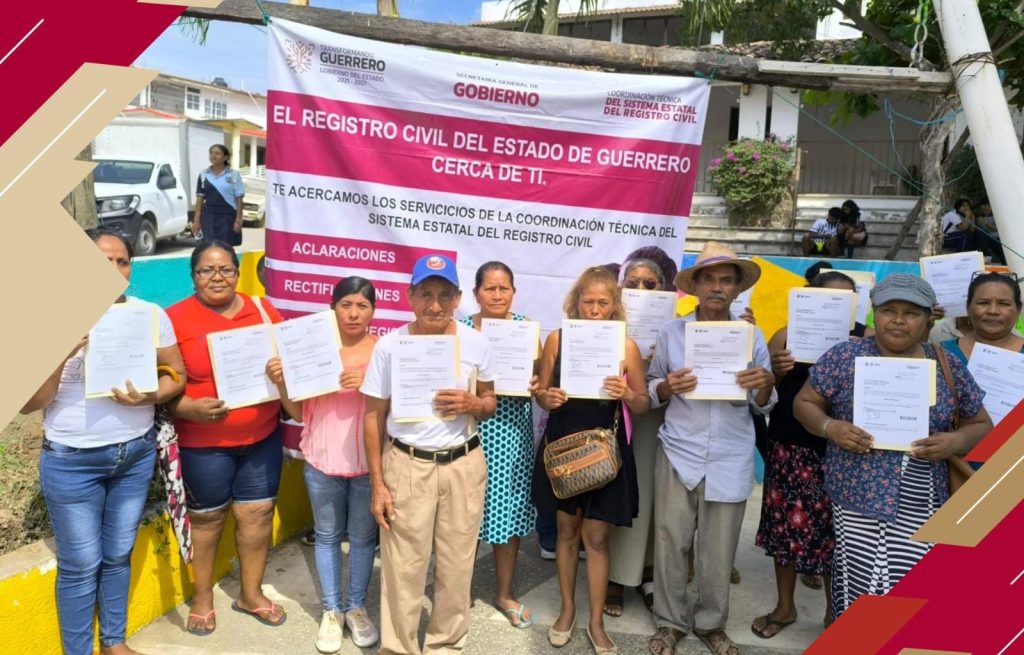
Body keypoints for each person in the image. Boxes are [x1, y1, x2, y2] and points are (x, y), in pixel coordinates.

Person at [20, 230, 186, 655]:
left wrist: (150, 395)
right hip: (71, 461)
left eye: (122, 261)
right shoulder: (49, 318)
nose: (113, 269)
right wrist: (61, 352)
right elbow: (29, 404)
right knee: (80, 564)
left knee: (117, 554)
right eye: (102, 260)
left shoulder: (149, 315)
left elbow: (177, 376)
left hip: (134, 455)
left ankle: (114, 642)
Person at [794, 274, 992, 619]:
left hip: (922, 504)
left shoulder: (946, 364)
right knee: (858, 587)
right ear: (875, 313)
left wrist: (954, 441)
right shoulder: (845, 356)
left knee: (911, 594)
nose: (898, 320)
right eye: (889, 311)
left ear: (928, 320)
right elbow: (804, 402)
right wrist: (831, 427)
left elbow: (981, 423)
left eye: (911, 313)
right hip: (855, 498)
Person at [361, 254, 498, 655]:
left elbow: (490, 401)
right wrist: (377, 484)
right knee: (403, 568)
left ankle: (446, 645)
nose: (435, 305)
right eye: (425, 294)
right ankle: (398, 648)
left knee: (457, 566)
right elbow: (372, 417)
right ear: (410, 296)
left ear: (457, 299)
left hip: (462, 464)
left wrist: (474, 403)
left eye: (443, 295)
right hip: (407, 465)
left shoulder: (476, 342)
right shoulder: (390, 346)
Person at [646, 242, 776, 655]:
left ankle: (711, 623)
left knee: (718, 550)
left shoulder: (752, 337)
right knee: (670, 542)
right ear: (696, 287)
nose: (717, 287)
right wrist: (667, 387)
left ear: (737, 289)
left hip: (730, 454)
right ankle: (669, 622)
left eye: (726, 280)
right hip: (678, 450)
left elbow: (764, 403)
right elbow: (651, 387)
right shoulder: (672, 333)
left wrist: (765, 384)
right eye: (709, 279)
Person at [166, 241, 287, 635]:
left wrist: (282, 370)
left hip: (262, 436)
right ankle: (202, 597)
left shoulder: (264, 311)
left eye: (226, 270)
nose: (217, 277)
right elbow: (158, 382)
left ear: (237, 273)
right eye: (207, 270)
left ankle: (250, 593)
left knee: (258, 514)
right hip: (203, 444)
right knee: (206, 519)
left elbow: (291, 362)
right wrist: (187, 407)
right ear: (193, 276)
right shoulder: (173, 319)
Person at [532, 265, 650, 655]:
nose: (595, 310)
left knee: (597, 540)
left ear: (614, 304)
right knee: (566, 534)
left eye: (603, 303)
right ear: (576, 303)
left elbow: (643, 404)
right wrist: (546, 397)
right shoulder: (557, 339)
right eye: (588, 302)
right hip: (564, 447)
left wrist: (627, 394)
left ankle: (596, 621)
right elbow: (541, 393)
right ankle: (567, 610)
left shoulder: (626, 347)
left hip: (606, 453)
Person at [266, 277, 380, 651]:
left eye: (362, 306)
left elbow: (395, 409)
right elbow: (299, 413)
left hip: (368, 465)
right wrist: (282, 383)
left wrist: (369, 382)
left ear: (373, 311)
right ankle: (332, 611)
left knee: (362, 538)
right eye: (346, 304)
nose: (353, 313)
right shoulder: (314, 352)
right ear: (333, 308)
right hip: (321, 461)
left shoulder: (383, 353)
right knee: (328, 536)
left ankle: (356, 607)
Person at [751, 271, 867, 639]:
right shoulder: (786, 336)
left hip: (841, 448)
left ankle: (835, 611)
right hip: (790, 445)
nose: (835, 305)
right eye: (827, 297)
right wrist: (775, 371)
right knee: (783, 528)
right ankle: (785, 607)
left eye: (845, 299)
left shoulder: (866, 340)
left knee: (837, 532)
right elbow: (765, 394)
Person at [457, 261, 538, 628]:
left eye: (504, 288)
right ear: (476, 293)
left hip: (512, 435)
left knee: (507, 513)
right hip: (467, 433)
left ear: (514, 293)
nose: (497, 294)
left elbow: (540, 379)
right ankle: (459, 592)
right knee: (464, 515)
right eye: (489, 288)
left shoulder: (525, 330)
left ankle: (504, 593)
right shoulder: (459, 330)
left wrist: (536, 384)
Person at [605, 257, 668, 617]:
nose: (641, 289)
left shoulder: (674, 325)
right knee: (619, 489)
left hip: (654, 416)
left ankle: (647, 573)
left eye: (650, 283)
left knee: (651, 493)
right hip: (615, 416)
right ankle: (615, 576)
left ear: (664, 289)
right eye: (633, 283)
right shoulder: (606, 322)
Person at [941, 271, 1024, 412]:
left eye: (1004, 304)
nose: (993, 311)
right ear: (968, 308)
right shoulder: (942, 354)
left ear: (1018, 310)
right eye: (983, 303)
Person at [192, 144, 245, 246]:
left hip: (228, 216)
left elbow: (239, 199)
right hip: (208, 216)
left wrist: (238, 220)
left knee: (226, 248)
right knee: (208, 246)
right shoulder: (203, 174)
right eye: (211, 153)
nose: (213, 156)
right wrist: (196, 220)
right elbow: (199, 199)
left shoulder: (234, 175)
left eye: (217, 153)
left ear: (225, 157)